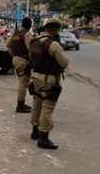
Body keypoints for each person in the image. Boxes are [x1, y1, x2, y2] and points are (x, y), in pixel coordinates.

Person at [28, 18, 69, 150]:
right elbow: (64, 63)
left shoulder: (34, 41)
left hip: (36, 77)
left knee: (36, 104)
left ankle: (35, 131)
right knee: (47, 108)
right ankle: (43, 137)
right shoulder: (53, 44)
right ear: (56, 29)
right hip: (49, 79)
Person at [6, 17, 34, 113]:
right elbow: (30, 49)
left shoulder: (16, 33)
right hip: (24, 60)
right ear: (29, 25)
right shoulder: (27, 34)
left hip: (16, 59)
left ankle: (21, 103)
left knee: (21, 81)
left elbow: (8, 45)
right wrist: (32, 60)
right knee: (24, 83)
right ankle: (20, 105)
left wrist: (14, 55)